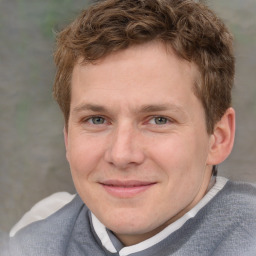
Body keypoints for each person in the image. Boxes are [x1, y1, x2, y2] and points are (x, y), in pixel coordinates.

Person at [8, 0, 256, 255]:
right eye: (97, 120)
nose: (122, 155)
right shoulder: (28, 243)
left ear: (218, 138)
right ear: (68, 138)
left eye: (159, 120)